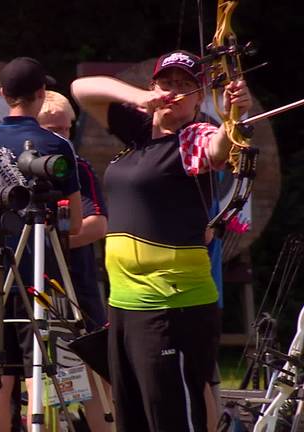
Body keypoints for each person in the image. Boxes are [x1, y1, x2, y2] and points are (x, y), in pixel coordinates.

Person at [71, 49, 252, 431]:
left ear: (200, 98)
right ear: (152, 87)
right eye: (166, 83)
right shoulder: (137, 131)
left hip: (172, 305)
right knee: (133, 414)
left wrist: (234, 116)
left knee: (172, 416)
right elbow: (81, 88)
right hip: (124, 304)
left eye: (185, 86)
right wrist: (139, 99)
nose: (174, 92)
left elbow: (218, 148)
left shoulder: (194, 136)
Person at [0, 58, 82, 432]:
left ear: (3, 95)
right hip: (43, 275)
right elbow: (75, 222)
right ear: (41, 95)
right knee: (42, 371)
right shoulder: (57, 145)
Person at [37, 90, 111, 432]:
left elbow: (98, 223)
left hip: (77, 286)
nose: (60, 138)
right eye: (51, 129)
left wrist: (58, 240)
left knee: (94, 370)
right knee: (39, 375)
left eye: (66, 130)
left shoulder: (78, 167)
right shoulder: (23, 168)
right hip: (36, 287)